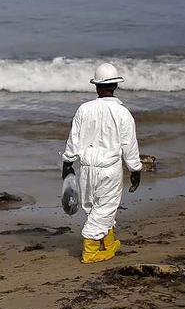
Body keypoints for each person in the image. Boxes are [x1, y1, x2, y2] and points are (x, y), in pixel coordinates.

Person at [61, 63, 143, 263]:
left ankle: (108, 241)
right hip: (109, 169)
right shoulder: (123, 113)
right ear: (115, 85)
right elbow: (129, 145)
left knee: (93, 207)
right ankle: (90, 250)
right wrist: (135, 169)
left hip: (86, 169)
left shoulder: (84, 109)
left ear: (96, 86)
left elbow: (74, 140)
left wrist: (68, 163)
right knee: (105, 208)